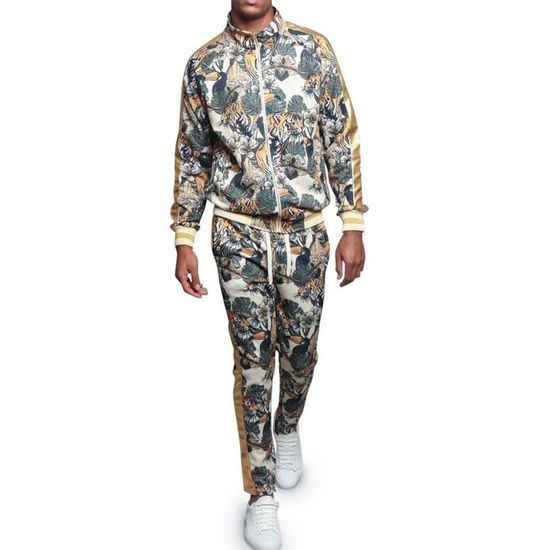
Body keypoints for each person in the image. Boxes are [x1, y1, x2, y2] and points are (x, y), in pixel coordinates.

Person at [170, 1, 367, 548]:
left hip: (304, 234)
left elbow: (340, 134)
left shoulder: (313, 50)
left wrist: (352, 221)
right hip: (237, 235)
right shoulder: (203, 64)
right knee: (253, 362)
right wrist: (184, 235)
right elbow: (192, 153)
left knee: (300, 353)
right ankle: (260, 494)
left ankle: (287, 425)